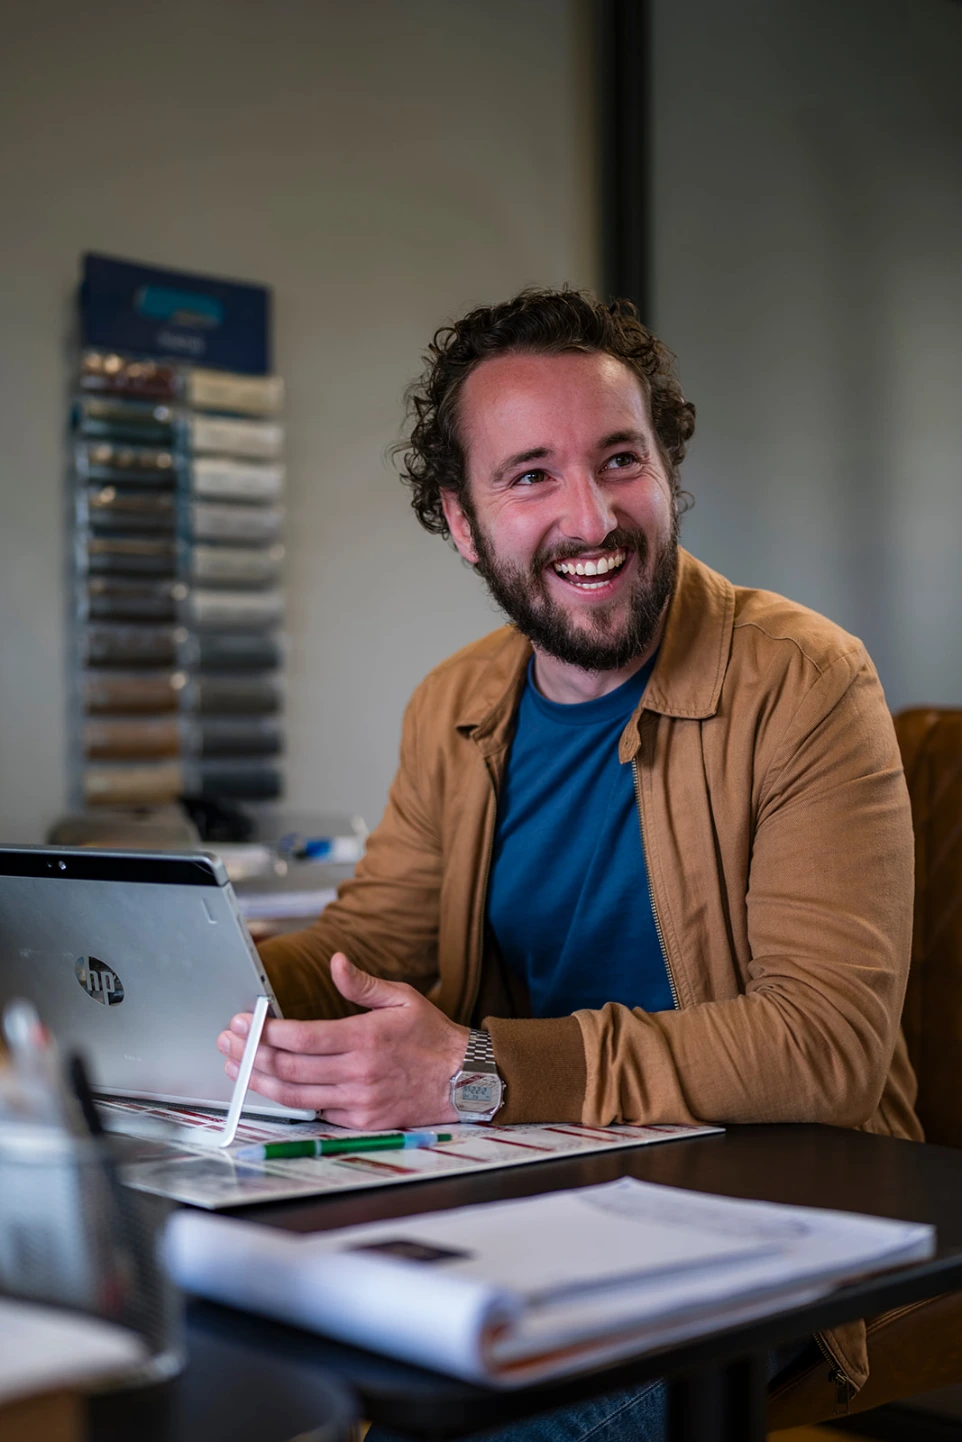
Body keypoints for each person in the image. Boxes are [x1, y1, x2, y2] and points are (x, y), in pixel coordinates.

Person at [217, 289, 921, 1437]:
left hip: (774, 1206)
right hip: (524, 1183)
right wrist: (204, 973)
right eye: (530, 474)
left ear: (665, 469)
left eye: (618, 460)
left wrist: (478, 1068)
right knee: (225, 1336)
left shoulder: (803, 679)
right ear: (462, 520)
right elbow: (371, 943)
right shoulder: (453, 701)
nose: (591, 516)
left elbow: (825, 1041)